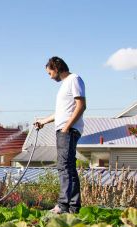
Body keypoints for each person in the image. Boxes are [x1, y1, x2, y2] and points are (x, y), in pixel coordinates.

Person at [35, 56, 86, 214]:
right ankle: (73, 207)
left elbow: (81, 105)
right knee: (68, 167)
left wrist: (66, 127)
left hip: (68, 131)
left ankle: (63, 206)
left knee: (64, 167)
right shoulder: (65, 85)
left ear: (56, 68)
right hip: (64, 129)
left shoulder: (74, 79)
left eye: (50, 73)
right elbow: (61, 113)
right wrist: (43, 121)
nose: (50, 77)